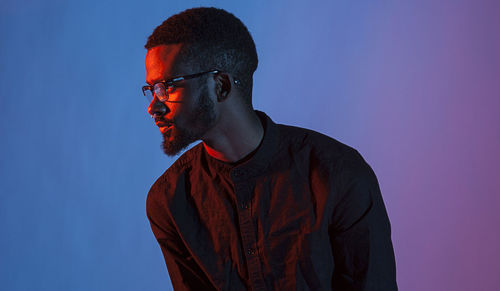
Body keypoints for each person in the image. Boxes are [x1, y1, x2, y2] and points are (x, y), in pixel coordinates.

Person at [143, 7, 397, 291]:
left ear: (221, 86)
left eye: (167, 87)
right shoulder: (169, 201)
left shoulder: (339, 175)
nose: (153, 106)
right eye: (150, 89)